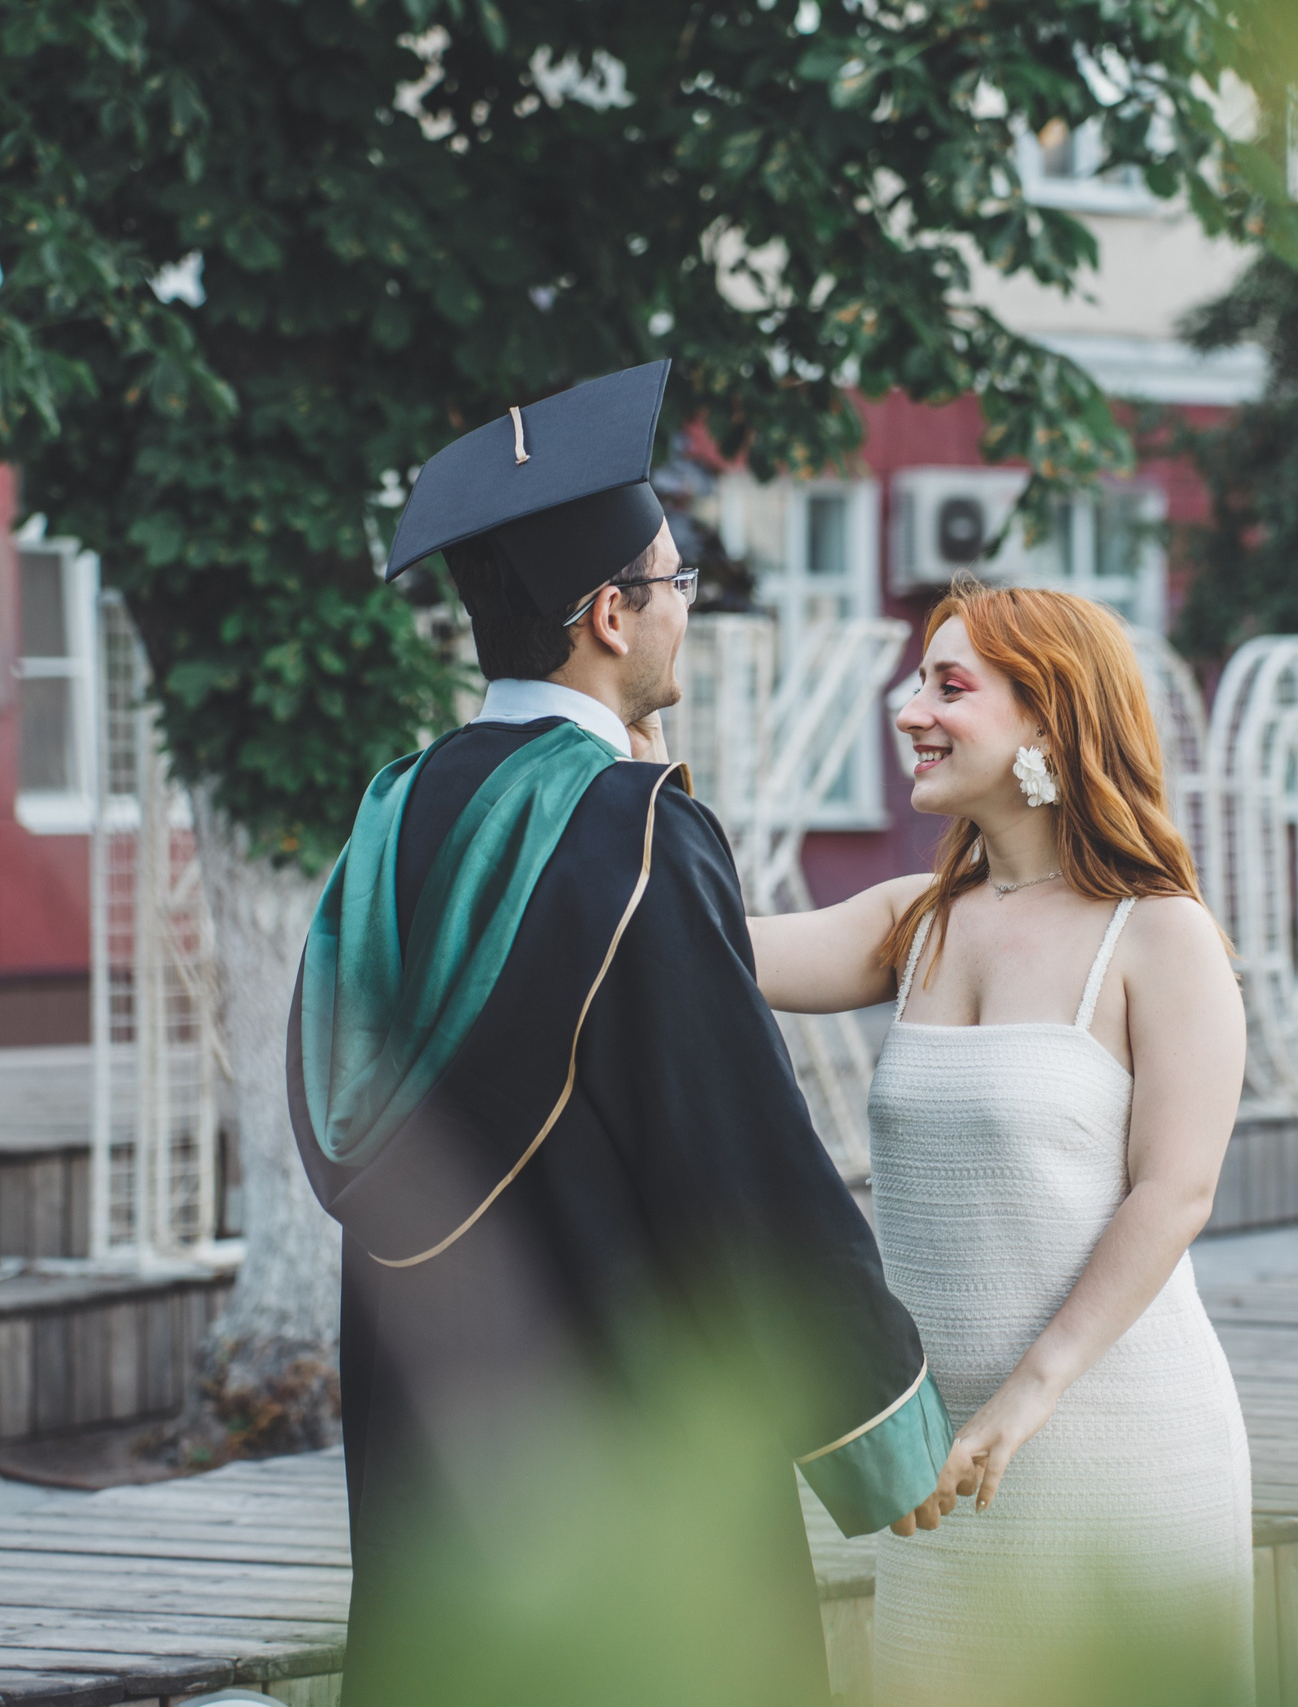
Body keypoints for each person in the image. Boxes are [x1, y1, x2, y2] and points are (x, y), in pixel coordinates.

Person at [287, 362, 953, 1706]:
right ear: (609, 614)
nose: (683, 613)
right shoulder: (631, 827)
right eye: (675, 583)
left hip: (440, 1423)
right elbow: (737, 1153)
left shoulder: (393, 816)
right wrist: (884, 1426)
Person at [750, 582, 1255, 1705]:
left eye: (948, 684)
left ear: (1046, 717)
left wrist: (1031, 1393)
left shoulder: (1160, 935)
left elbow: (1173, 1193)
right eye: (914, 679)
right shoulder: (911, 921)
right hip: (942, 1478)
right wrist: (629, 783)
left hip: (1113, 1444)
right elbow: (700, 950)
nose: (906, 707)